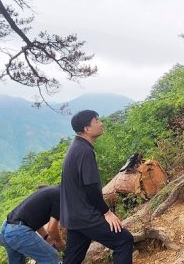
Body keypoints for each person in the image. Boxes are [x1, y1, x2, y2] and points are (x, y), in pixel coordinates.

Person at [61, 110, 134, 264]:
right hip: (86, 216)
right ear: (87, 129)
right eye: (97, 121)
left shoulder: (76, 148)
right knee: (123, 241)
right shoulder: (84, 151)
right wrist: (106, 213)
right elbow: (91, 188)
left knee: (71, 260)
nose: (101, 124)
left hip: (74, 217)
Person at [0, 185, 64, 264]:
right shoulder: (60, 196)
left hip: (6, 228)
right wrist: (59, 241)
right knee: (51, 257)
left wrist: (45, 237)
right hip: (18, 231)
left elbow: (35, 218)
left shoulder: (49, 191)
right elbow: (52, 229)